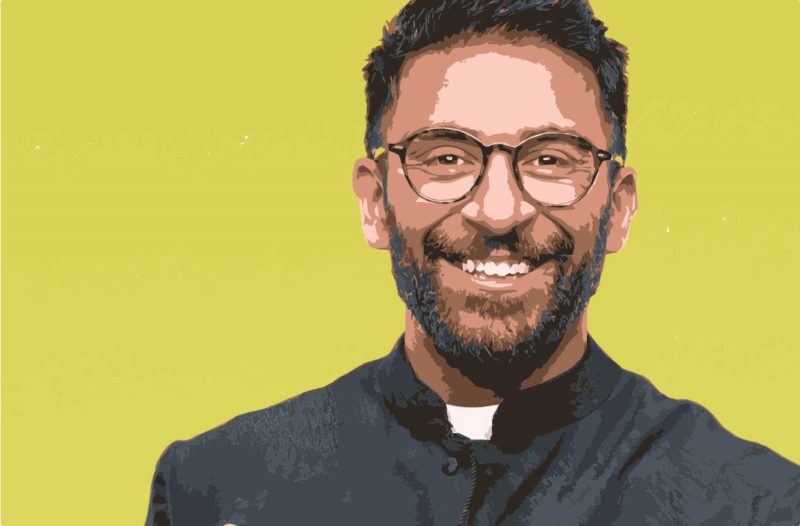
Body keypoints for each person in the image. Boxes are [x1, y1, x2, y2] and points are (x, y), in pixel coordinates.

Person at [145, 1, 800, 524]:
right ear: (375, 203)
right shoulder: (222, 486)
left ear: (619, 208)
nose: (497, 212)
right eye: (446, 157)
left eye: (551, 158)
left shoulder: (753, 505)